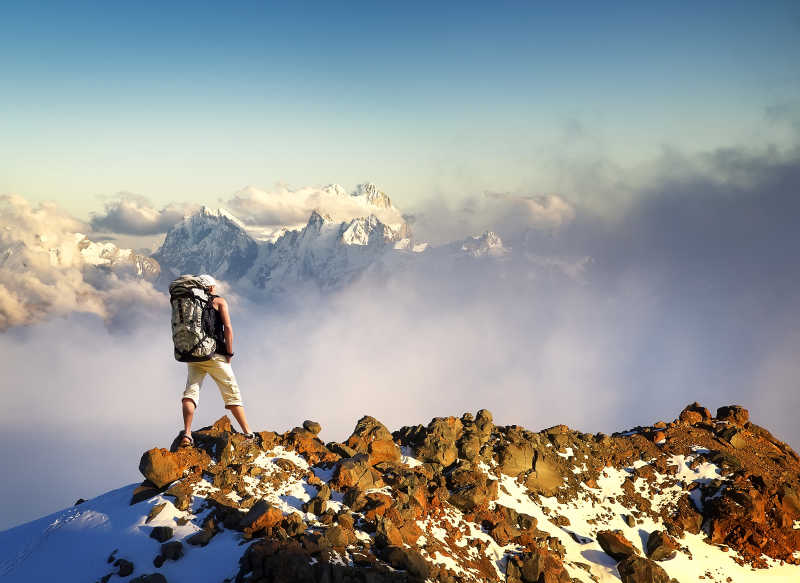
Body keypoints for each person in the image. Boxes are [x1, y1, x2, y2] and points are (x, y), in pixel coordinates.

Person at [176, 274, 253, 447]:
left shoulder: (191, 303)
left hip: (193, 353)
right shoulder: (219, 302)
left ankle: (187, 434)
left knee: (191, 392)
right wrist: (229, 353)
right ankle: (248, 433)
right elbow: (228, 328)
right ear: (210, 288)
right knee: (232, 392)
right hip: (215, 354)